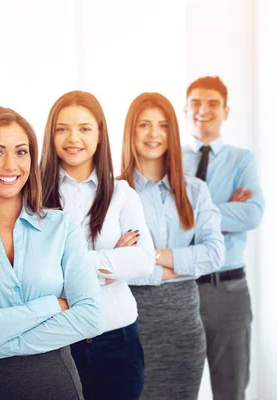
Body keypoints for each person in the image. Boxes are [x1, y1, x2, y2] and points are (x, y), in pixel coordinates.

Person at [0, 106, 102, 400]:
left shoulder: (61, 227)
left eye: (21, 152)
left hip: (57, 384)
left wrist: (1, 345)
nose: (11, 165)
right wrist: (51, 306)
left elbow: (89, 317)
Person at [40, 90, 155, 399]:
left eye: (84, 128)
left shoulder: (122, 194)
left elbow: (144, 261)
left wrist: (70, 265)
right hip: (59, 343)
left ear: (100, 134)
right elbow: (35, 271)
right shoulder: (34, 195)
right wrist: (113, 261)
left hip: (118, 340)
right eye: (62, 128)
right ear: (50, 135)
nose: (72, 138)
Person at [119, 92, 225, 399]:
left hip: (183, 329)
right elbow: (111, 267)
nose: (154, 134)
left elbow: (214, 254)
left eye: (163, 125)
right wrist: (180, 267)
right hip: (129, 327)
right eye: (144, 125)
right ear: (131, 131)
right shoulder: (114, 193)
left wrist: (150, 257)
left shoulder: (195, 191)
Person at [182, 76, 264, 399]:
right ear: (185, 110)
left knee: (231, 392)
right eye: (196, 104)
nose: (204, 110)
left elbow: (253, 213)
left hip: (228, 292)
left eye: (213, 103)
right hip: (180, 291)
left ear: (226, 111)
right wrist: (225, 210)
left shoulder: (241, 160)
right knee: (175, 388)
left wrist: (191, 213)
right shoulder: (169, 159)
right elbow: (161, 220)